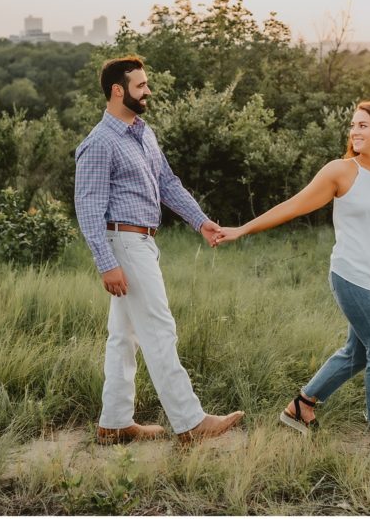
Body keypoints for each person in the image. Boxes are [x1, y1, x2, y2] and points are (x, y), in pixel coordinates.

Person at [217, 101, 370, 449]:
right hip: (351, 275)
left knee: (357, 353)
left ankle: (301, 406)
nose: (355, 131)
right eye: (352, 125)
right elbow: (292, 206)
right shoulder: (341, 172)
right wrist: (242, 230)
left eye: (363, 125)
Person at [74, 55, 244, 445]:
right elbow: (87, 209)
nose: (148, 90)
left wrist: (201, 221)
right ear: (118, 90)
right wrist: (106, 263)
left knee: (124, 335)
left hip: (144, 242)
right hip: (124, 243)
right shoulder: (99, 143)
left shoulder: (141, 132)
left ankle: (114, 423)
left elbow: (167, 182)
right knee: (159, 329)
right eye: (140, 85)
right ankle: (190, 422)